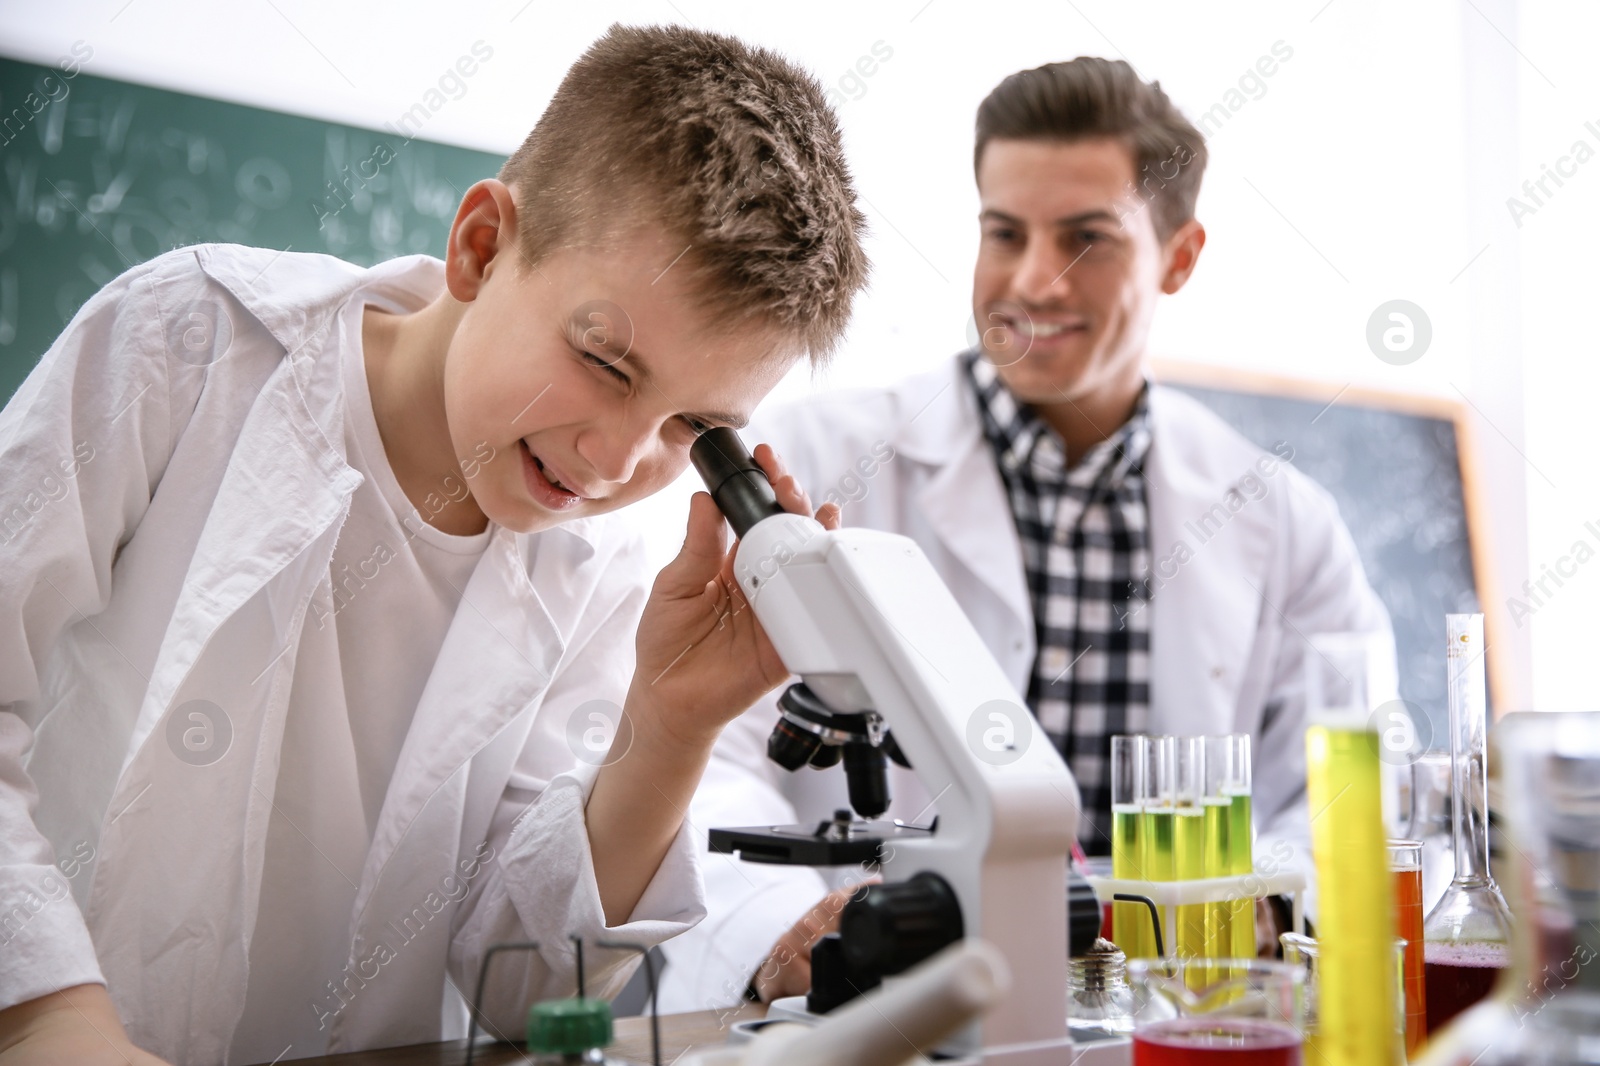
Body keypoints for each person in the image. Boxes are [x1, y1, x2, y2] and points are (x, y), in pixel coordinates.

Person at [0, 25, 867, 1066]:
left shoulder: (602, 572)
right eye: (604, 361)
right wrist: (47, 1008)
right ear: (481, 246)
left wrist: (671, 725)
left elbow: (523, 990)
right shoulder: (187, 344)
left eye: (691, 427)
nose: (615, 457)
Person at [655, 55, 1396, 1012]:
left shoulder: (1284, 523)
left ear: (1179, 256)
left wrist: (1234, 903)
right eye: (1005, 234)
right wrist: (785, 926)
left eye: (1087, 239)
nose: (1035, 282)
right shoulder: (818, 458)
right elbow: (703, 754)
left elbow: (1345, 800)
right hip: (879, 1014)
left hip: (1176, 1017)